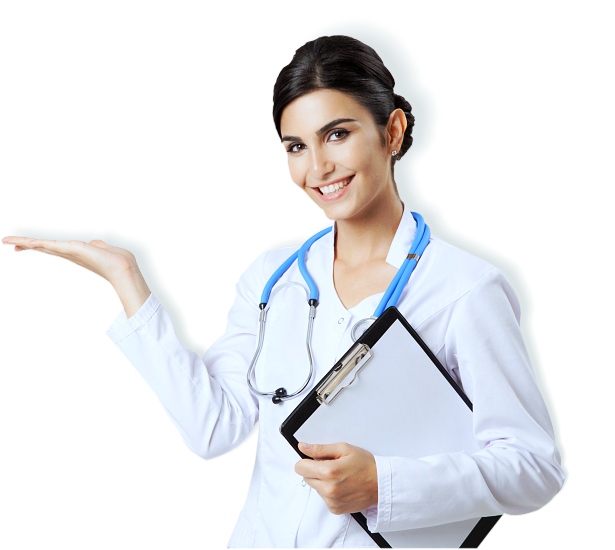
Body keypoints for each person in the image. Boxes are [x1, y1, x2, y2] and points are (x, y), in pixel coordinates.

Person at [2, 35, 566, 548]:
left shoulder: (466, 288)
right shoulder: (273, 278)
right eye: (295, 146)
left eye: (337, 134)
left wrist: (384, 484)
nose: (316, 168)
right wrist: (129, 283)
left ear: (392, 132)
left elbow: (535, 469)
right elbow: (213, 427)